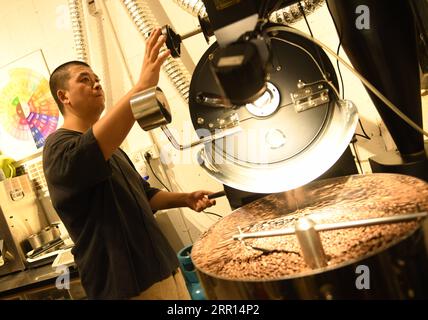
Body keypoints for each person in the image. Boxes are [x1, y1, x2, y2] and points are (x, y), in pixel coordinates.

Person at [43, 28, 216, 300]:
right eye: (85, 80)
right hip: (123, 286)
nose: (96, 84)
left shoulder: (113, 150)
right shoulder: (58, 148)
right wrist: (141, 87)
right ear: (64, 97)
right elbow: (90, 148)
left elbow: (144, 196)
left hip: (162, 268)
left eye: (97, 79)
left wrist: (185, 198)